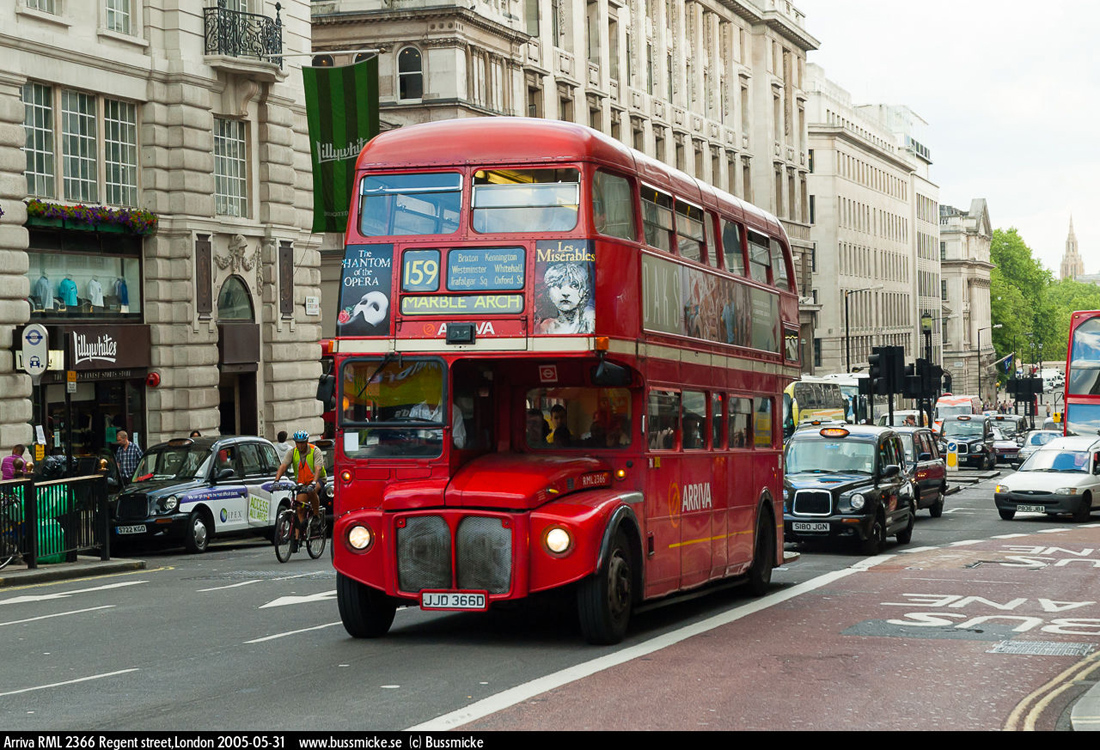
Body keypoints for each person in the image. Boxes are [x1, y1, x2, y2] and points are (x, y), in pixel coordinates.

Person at [274, 431, 327, 542]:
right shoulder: (292, 452)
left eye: (302, 443)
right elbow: (283, 466)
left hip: (317, 480)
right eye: (298, 443)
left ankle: (316, 515)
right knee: (299, 508)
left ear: (307, 442)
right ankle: (297, 539)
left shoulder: (315, 451)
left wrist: (313, 482)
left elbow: (318, 468)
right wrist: (276, 481)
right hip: (302, 482)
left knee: (312, 491)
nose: (300, 445)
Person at [537, 262, 595, 334]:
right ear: (548, 292)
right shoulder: (547, 326)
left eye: (574, 286)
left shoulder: (590, 321)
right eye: (557, 285)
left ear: (584, 291)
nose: (565, 293)